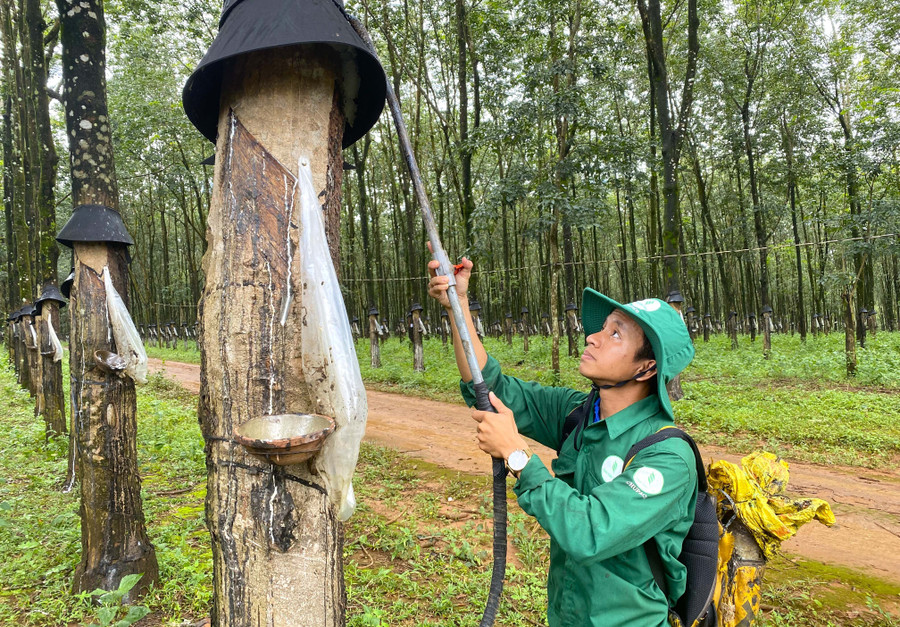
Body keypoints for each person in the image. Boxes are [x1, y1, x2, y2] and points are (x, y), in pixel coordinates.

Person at [428, 256, 698, 627]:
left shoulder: (667, 457)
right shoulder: (578, 415)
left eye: (615, 334)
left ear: (646, 368)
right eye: (602, 328)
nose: (593, 337)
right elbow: (491, 388)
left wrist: (517, 455)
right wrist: (458, 307)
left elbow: (590, 531)